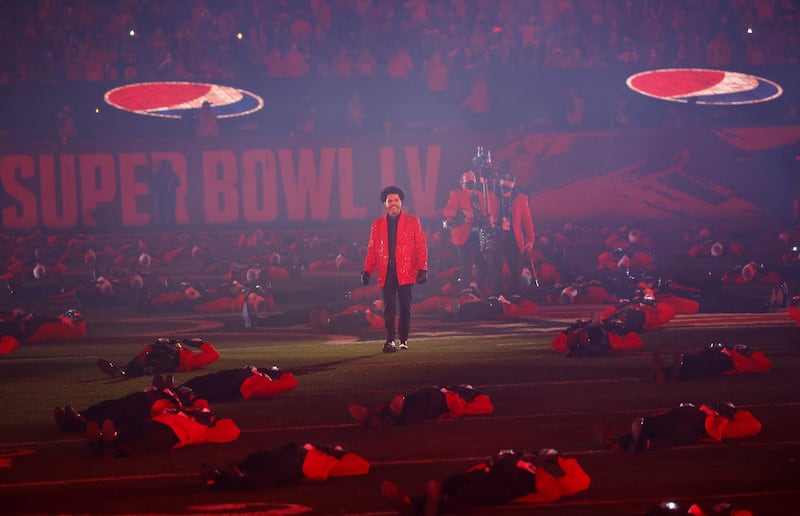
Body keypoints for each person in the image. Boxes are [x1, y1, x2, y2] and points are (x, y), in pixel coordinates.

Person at [381, 447, 590, 514]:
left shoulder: (529, 461)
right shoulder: (536, 467)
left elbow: (579, 481)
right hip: (506, 476)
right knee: (467, 491)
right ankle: (425, 505)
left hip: (501, 473)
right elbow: (579, 482)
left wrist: (556, 458)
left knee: (462, 487)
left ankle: (413, 503)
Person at [361, 185, 428, 353]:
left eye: (396, 200)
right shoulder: (376, 225)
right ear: (385, 204)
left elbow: (421, 246)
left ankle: (403, 339)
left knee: (405, 307)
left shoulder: (413, 221)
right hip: (386, 271)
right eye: (390, 201)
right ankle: (390, 340)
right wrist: (367, 271)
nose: (393, 203)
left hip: (406, 271)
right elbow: (372, 250)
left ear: (401, 202)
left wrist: (423, 269)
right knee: (389, 307)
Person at [86, 405, 239, 457]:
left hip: (171, 432)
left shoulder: (206, 430)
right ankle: (108, 443)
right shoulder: (183, 413)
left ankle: (107, 445)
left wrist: (213, 418)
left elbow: (232, 431)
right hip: (157, 424)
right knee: (133, 434)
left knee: (140, 440)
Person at [200, 442, 370, 490]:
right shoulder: (339, 463)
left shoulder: (331, 457)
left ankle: (219, 474)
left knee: (258, 460)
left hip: (297, 452)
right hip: (298, 463)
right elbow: (363, 466)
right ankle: (218, 478)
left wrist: (335, 451)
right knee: (256, 478)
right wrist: (339, 453)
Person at [607, 401, 762, 452]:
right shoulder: (720, 423)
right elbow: (754, 426)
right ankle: (633, 442)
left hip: (687, 414)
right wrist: (735, 412)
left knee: (654, 424)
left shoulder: (710, 414)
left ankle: (622, 441)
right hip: (698, 423)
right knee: (667, 437)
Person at [441, 170, 496, 287]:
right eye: (468, 180)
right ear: (462, 183)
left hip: (481, 233)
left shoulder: (482, 195)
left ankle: (480, 289)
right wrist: (462, 212)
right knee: (466, 267)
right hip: (464, 235)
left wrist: (491, 218)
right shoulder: (456, 195)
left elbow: (490, 211)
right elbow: (447, 212)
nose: (471, 182)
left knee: (485, 263)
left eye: (473, 180)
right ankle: (465, 292)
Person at [348, 384, 493, 426]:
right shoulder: (458, 396)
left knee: (403, 417)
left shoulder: (457, 396)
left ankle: (375, 415)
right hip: (433, 399)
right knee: (404, 417)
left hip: (430, 398)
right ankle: (376, 415)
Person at [494, 172, 535, 296]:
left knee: (516, 271)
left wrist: (530, 239)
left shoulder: (521, 198)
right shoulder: (492, 196)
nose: (505, 189)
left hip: (514, 240)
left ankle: (515, 298)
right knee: (497, 270)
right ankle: (498, 298)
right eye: (503, 186)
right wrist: (484, 242)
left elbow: (527, 220)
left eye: (508, 186)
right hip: (497, 238)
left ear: (513, 186)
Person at [97, 337, 220, 378]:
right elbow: (213, 355)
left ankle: (124, 370)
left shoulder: (189, 359)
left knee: (147, 362)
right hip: (165, 358)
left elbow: (214, 355)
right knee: (148, 360)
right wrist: (200, 344)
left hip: (165, 359)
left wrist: (200, 344)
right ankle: (124, 370)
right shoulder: (189, 358)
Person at [651, 343, 772, 383]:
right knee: (691, 362)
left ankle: (667, 373)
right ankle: (666, 372)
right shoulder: (737, 356)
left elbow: (765, 365)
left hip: (714, 365)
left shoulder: (745, 362)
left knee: (688, 366)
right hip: (712, 362)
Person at [177, 365, 298, 403]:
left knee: (199, 387)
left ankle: (174, 394)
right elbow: (290, 383)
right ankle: (176, 394)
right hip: (229, 382)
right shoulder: (259, 378)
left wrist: (279, 374)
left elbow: (290, 383)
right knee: (199, 387)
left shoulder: (259, 379)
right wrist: (279, 374)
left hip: (229, 382)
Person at [150, 159, 179, 226]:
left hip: (171, 198)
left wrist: (172, 185)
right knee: (162, 214)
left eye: (168, 166)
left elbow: (178, 183)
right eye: (165, 166)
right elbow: (154, 185)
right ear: (162, 167)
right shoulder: (158, 176)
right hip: (161, 198)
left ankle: (173, 228)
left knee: (171, 214)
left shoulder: (173, 175)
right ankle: (162, 229)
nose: (167, 167)